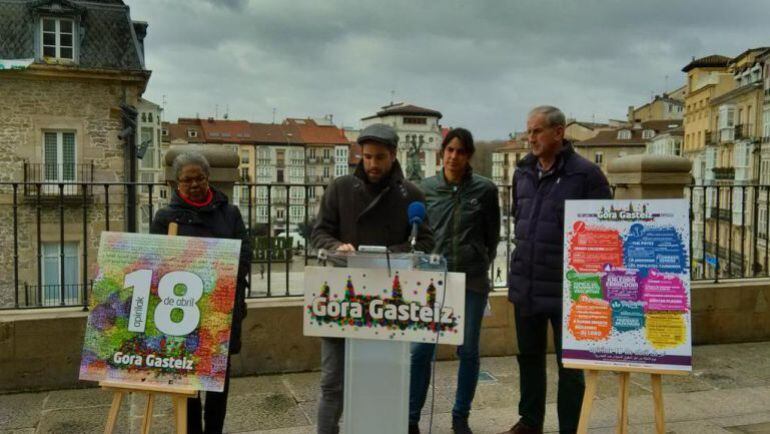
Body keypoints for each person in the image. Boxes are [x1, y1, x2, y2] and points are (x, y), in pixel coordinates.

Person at [311, 123, 434, 434]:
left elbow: (426, 242)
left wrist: (389, 253)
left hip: (388, 299)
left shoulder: (411, 195)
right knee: (332, 382)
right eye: (367, 157)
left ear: (393, 155)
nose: (373, 164)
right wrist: (336, 247)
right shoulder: (340, 188)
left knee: (382, 382)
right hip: (342, 295)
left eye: (380, 157)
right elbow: (319, 233)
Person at [499, 106, 612, 434]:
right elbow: (519, 220)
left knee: (572, 367)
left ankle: (571, 428)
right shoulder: (522, 172)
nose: (530, 138)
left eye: (536, 131)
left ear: (558, 132)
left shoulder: (586, 175)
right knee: (529, 359)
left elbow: (602, 234)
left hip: (570, 290)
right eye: (528, 131)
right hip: (528, 285)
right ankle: (530, 421)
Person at [150, 151, 251, 434]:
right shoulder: (164, 218)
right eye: (187, 180)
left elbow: (244, 255)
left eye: (199, 178)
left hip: (222, 308)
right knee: (189, 383)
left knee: (218, 381)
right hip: (183, 311)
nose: (194, 184)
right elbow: (158, 264)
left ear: (208, 179)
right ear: (175, 184)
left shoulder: (230, 213)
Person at [409, 128, 500, 434]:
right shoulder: (425, 188)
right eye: (449, 150)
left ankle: (460, 415)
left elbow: (492, 236)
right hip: (431, 280)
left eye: (461, 151)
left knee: (469, 351)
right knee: (421, 350)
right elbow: (419, 234)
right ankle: (411, 417)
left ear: (469, 155)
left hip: (471, 280)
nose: (454, 156)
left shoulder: (485, 190)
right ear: (441, 153)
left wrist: (478, 262)